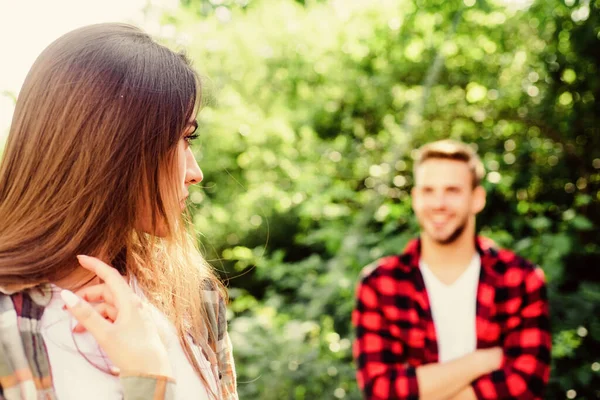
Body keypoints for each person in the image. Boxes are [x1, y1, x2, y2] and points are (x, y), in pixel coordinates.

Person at [0, 23, 237, 400]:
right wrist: (149, 385)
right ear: (111, 151)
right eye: (180, 140)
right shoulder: (7, 326)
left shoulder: (194, 297)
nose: (195, 173)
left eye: (190, 139)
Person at [352, 139, 551, 399]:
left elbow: (526, 385)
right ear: (415, 198)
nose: (438, 203)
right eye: (428, 191)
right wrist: (481, 361)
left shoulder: (520, 279)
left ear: (477, 199)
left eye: (452, 190)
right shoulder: (379, 283)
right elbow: (382, 390)